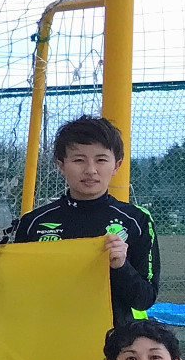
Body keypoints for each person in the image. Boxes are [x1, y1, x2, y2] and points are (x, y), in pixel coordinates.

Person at [10, 115, 159, 329]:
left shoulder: (136, 220)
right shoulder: (34, 222)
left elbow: (145, 299)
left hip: (114, 342)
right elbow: (17, 290)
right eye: (79, 160)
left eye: (101, 160)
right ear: (61, 165)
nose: (90, 170)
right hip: (48, 337)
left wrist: (120, 266)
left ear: (116, 165)